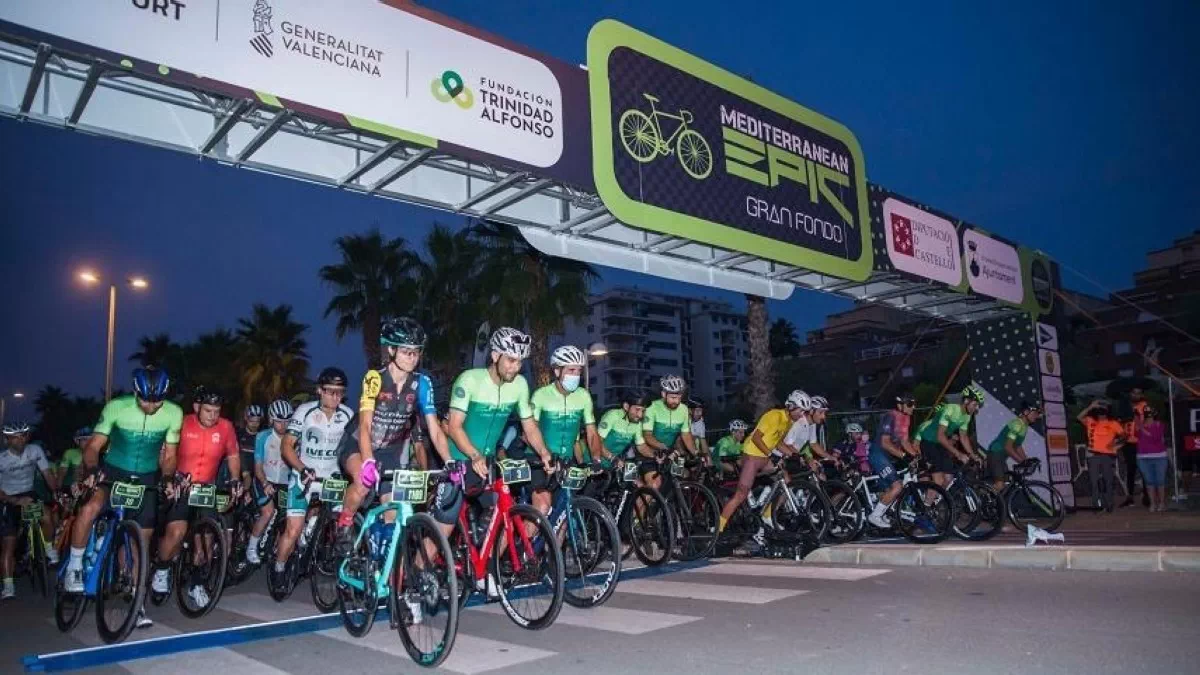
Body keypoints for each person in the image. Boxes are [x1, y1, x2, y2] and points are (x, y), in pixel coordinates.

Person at [64, 367, 183, 630]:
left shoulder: (174, 413)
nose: (151, 406)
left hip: (147, 476)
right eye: (145, 400)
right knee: (91, 507)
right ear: (135, 392)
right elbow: (93, 446)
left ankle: (137, 600)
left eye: (157, 401)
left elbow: (171, 455)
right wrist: (93, 470)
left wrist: (166, 478)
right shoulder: (116, 407)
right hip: (113, 471)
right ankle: (74, 565)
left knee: (142, 539)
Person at [337, 318, 454, 548]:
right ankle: (344, 522)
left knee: (394, 517)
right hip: (359, 443)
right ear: (391, 350)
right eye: (406, 352)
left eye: (416, 352)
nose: (412, 358)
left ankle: (383, 570)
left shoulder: (422, 383)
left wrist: (449, 461)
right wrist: (369, 460)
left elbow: (435, 429)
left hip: (391, 450)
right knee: (362, 483)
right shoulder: (375, 379)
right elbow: (365, 427)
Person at [445, 327, 555, 511]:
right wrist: (474, 455)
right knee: (443, 529)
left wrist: (544, 452)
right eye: (511, 360)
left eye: (520, 362)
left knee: (504, 516)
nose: (516, 367)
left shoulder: (520, 384)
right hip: (460, 459)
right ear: (495, 356)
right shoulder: (469, 379)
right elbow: (454, 426)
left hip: (489, 462)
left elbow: (529, 427)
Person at [153, 388, 240, 608]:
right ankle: (162, 569)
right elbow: (165, 454)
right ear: (196, 408)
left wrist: (234, 479)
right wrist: (169, 478)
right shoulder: (183, 423)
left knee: (208, 539)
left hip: (206, 488)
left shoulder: (226, 427)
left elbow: (233, 455)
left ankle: (197, 583)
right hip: (182, 484)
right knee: (177, 532)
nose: (213, 415)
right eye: (208, 410)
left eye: (217, 411)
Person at [276, 367, 354, 577]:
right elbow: (286, 446)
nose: (335, 397)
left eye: (340, 392)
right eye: (330, 391)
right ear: (319, 390)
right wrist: (301, 469)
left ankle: (342, 570)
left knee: (344, 526)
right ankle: (279, 567)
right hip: (305, 477)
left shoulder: (348, 415)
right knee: (293, 531)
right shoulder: (305, 411)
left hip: (332, 478)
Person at [717, 390, 812, 545]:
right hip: (752, 455)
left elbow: (778, 443)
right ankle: (718, 529)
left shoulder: (789, 421)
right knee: (740, 494)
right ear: (791, 406)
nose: (802, 415)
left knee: (785, 479)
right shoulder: (774, 415)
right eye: (800, 410)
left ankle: (767, 514)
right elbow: (756, 437)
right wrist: (771, 455)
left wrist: (794, 455)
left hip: (764, 457)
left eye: (804, 412)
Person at [527, 346, 602, 519]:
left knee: (564, 513)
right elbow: (529, 431)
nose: (576, 375)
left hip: (567, 461)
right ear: (557, 371)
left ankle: (556, 547)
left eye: (579, 371)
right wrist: (545, 455)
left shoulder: (583, 396)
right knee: (543, 508)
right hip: (541, 460)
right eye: (571, 370)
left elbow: (591, 432)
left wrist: (596, 459)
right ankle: (522, 546)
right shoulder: (541, 395)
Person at [1, 421, 59, 599]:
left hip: (29, 493)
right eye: (15, 437)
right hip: (7, 498)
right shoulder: (1, 459)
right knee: (8, 545)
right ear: (6, 440)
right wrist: (15, 500)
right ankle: (8, 586)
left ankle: (49, 550)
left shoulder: (35, 450)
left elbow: (47, 475)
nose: (21, 440)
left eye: (24, 435)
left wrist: (56, 492)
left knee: (47, 516)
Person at [245, 399, 293, 565]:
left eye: (287, 421)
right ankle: (251, 547)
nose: (284, 425)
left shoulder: (294, 438)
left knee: (286, 517)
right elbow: (258, 465)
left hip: (284, 483)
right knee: (268, 512)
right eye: (280, 421)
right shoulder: (263, 436)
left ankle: (278, 549)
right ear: (272, 420)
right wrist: (265, 483)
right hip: (264, 479)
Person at [866, 393, 920, 528]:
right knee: (897, 486)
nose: (913, 407)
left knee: (890, 490)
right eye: (909, 404)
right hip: (878, 454)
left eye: (914, 404)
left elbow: (905, 441)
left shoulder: (906, 419)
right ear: (900, 405)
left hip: (889, 456)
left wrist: (916, 455)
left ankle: (881, 513)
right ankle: (875, 516)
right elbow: (885, 443)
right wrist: (904, 456)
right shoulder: (890, 416)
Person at [639, 375, 701, 491]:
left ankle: (671, 506)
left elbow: (686, 435)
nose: (676, 401)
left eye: (679, 397)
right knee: (654, 486)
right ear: (663, 394)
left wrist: (696, 453)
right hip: (649, 453)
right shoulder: (652, 408)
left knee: (682, 479)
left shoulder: (683, 409)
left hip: (670, 453)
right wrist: (663, 447)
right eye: (672, 397)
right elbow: (647, 435)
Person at [917, 386, 985, 489]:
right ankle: (927, 504)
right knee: (938, 481)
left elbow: (963, 437)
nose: (977, 409)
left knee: (949, 478)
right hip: (928, 442)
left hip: (940, 444)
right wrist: (958, 454)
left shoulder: (967, 416)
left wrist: (973, 455)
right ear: (966, 401)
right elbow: (940, 436)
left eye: (978, 405)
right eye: (975, 405)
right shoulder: (950, 409)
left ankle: (939, 501)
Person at [1078, 400, 1125, 513]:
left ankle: (1108, 504)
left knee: (1107, 481)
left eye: (1103, 410)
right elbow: (1079, 417)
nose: (1101, 413)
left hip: (1108, 456)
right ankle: (1097, 506)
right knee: (1094, 482)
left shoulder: (1113, 423)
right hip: (1093, 455)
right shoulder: (1090, 421)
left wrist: (1115, 445)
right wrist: (1091, 406)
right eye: (1099, 410)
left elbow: (1124, 436)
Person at [985, 402, 1042, 493]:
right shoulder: (1017, 424)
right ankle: (979, 498)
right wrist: (1021, 461)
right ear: (1026, 412)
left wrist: (1025, 459)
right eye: (1035, 413)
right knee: (1000, 485)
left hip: (1001, 457)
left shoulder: (1024, 426)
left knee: (1007, 484)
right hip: (995, 453)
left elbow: (1017, 446)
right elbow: (1008, 447)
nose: (1036, 416)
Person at [1119, 387, 1149, 508]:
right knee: (1130, 470)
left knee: (1144, 470)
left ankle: (1147, 496)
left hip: (1141, 442)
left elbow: (1148, 422)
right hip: (1128, 442)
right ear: (1130, 394)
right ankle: (1130, 498)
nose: (1136, 395)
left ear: (1141, 394)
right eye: (1134, 393)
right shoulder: (1125, 405)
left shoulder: (1145, 406)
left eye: (1138, 393)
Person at [1134, 407, 1169, 512]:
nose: (1149, 418)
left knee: (1160, 481)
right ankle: (1153, 504)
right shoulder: (1141, 425)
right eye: (1147, 415)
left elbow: (1154, 437)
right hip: (1143, 457)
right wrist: (1138, 425)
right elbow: (1136, 435)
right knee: (1149, 481)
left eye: (1150, 416)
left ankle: (1162, 503)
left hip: (1159, 456)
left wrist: (1141, 427)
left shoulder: (1159, 425)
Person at [237, 405, 265, 490]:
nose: (254, 424)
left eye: (257, 421)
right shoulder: (237, 434)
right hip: (240, 476)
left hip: (260, 478)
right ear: (246, 418)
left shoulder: (264, 436)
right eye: (251, 421)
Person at [689, 396, 708, 461]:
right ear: (689, 410)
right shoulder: (683, 420)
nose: (700, 413)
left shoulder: (700, 422)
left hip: (694, 452)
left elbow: (703, 442)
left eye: (701, 411)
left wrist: (707, 458)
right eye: (697, 410)